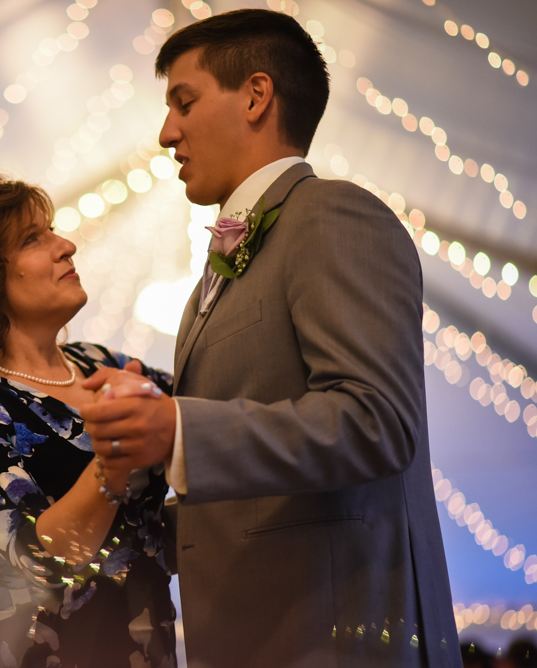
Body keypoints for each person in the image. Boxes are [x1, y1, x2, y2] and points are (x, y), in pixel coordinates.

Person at [81, 9, 460, 668]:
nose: (167, 132)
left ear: (256, 95)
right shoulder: (229, 259)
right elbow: (257, 497)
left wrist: (177, 432)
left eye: (184, 101)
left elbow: (376, 421)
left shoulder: (332, 215)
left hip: (337, 640)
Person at [0, 174, 177, 668]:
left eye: (52, 231)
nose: (66, 246)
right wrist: (115, 456)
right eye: (32, 239)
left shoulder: (97, 361)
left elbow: (203, 434)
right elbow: (44, 561)